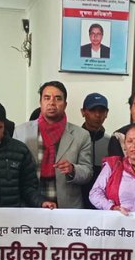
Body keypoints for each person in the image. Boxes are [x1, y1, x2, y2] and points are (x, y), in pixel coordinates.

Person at [13, 81, 92, 209]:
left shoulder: (81, 135)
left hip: (66, 208)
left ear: (65, 104)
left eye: (58, 98)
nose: (52, 103)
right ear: (40, 102)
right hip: (30, 206)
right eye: (47, 98)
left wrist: (73, 169)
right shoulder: (21, 132)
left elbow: (87, 173)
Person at [80, 92, 110, 207]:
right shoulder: (73, 140)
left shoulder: (111, 142)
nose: (97, 115)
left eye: (101, 111)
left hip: (102, 204)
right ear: (83, 112)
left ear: (107, 113)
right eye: (92, 110)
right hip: (76, 203)